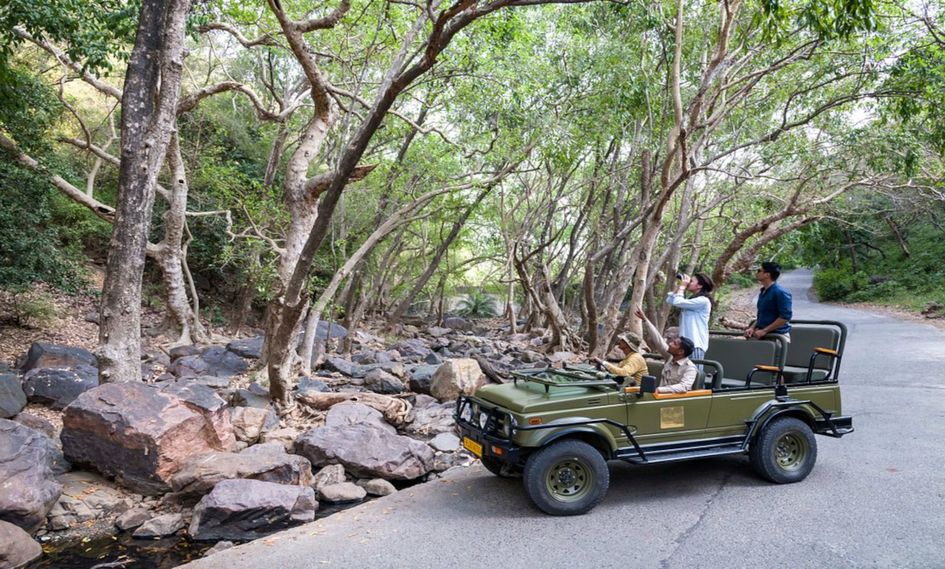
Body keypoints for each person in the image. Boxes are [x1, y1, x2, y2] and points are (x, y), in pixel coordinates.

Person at [634, 308, 698, 393]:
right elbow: (658, 340)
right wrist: (645, 319)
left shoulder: (690, 368)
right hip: (659, 398)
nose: (670, 344)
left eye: (674, 344)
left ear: (680, 352)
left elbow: (684, 387)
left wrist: (659, 390)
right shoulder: (670, 358)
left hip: (674, 402)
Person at [666, 272, 715, 362]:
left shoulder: (703, 301)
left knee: (694, 373)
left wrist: (683, 287)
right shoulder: (692, 300)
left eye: (691, 281)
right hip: (684, 344)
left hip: (696, 344)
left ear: (699, 286)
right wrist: (680, 286)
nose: (688, 282)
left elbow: (678, 302)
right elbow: (670, 300)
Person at [744, 261, 793, 340]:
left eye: (759, 270)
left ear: (767, 274)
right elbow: (762, 316)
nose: (757, 273)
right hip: (763, 335)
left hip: (777, 337)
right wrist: (752, 328)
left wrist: (764, 330)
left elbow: (785, 317)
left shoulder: (781, 292)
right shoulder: (763, 291)